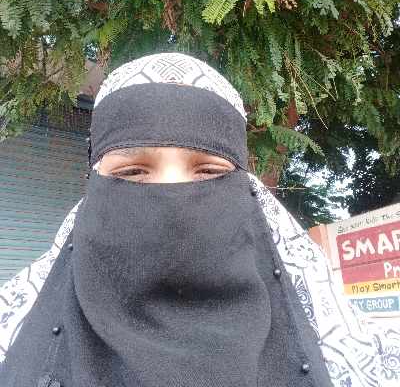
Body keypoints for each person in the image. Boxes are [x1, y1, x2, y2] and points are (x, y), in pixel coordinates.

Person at [0, 52, 398, 386]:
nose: (172, 191)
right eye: (132, 172)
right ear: (94, 184)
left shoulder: (355, 357)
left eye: (208, 171)